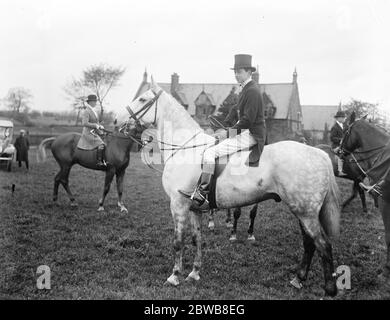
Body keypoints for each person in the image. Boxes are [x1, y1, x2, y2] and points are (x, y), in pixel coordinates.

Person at [179, 54, 266, 210]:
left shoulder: (252, 90)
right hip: (247, 131)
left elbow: (247, 120)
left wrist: (227, 134)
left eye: (239, 71)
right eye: (235, 71)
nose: (236, 74)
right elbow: (235, 111)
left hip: (253, 134)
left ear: (248, 72)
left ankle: (202, 192)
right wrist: (223, 126)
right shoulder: (245, 89)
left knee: (209, 154)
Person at [77, 94, 107, 167]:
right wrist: (95, 125)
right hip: (88, 133)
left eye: (95, 101)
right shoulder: (86, 111)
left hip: (94, 132)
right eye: (94, 101)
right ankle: (99, 162)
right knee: (101, 145)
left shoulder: (93, 111)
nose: (95, 103)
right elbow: (84, 123)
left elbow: (96, 122)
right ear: (90, 102)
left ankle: (104, 160)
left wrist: (100, 126)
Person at [330, 110, 347, 177]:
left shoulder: (343, 126)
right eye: (343, 117)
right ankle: (340, 171)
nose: (344, 119)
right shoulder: (335, 127)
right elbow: (332, 138)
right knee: (341, 153)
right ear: (338, 118)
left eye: (344, 117)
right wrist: (341, 140)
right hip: (336, 146)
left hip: (342, 145)